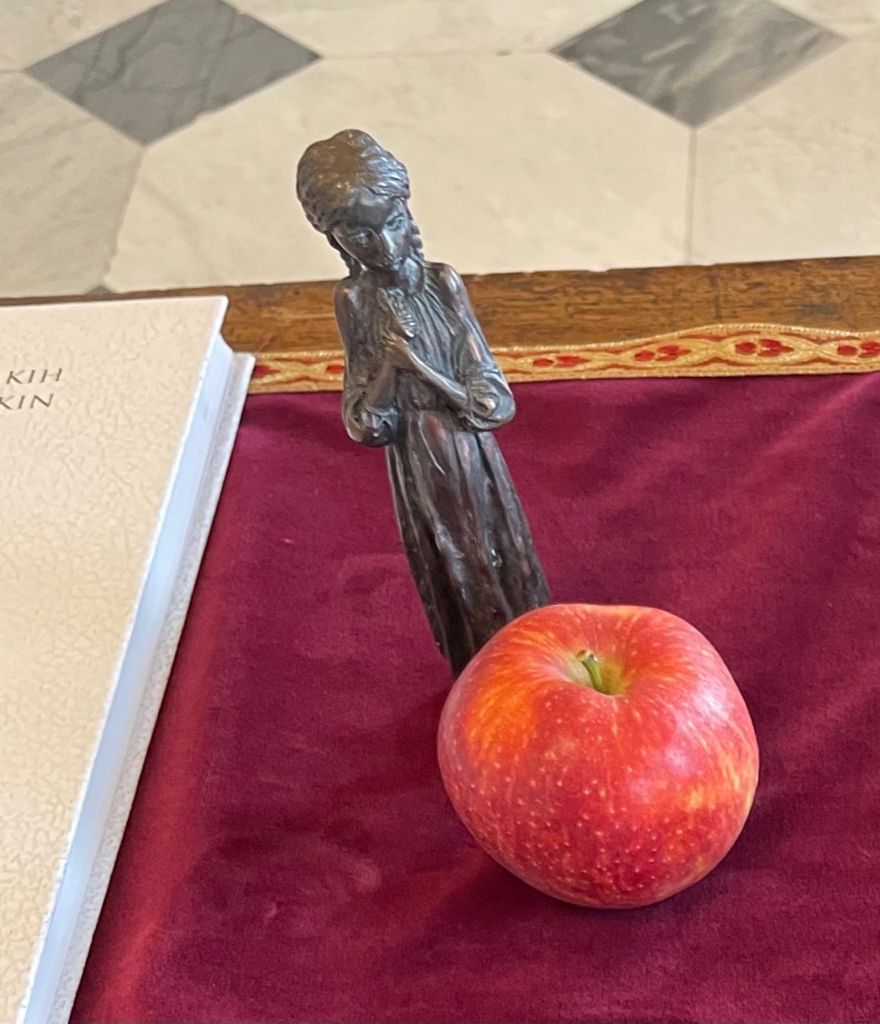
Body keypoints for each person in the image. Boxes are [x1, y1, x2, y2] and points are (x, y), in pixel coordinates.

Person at [296, 129, 549, 674]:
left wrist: (422, 368)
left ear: (407, 214)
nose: (384, 246)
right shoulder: (355, 301)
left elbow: (494, 401)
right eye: (361, 235)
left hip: (470, 455)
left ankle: (528, 662)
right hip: (415, 464)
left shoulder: (442, 284)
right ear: (336, 242)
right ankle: (481, 677)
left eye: (391, 222)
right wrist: (391, 367)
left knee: (497, 555)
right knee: (451, 566)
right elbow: (365, 423)